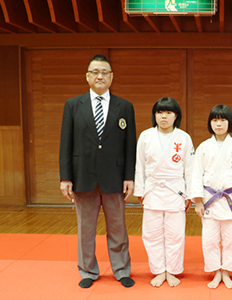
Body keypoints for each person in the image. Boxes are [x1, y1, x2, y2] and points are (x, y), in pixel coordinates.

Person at [59, 54, 137, 289]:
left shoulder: (125, 106)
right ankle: (87, 270)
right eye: (95, 72)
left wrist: (129, 177)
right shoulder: (73, 105)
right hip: (83, 178)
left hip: (114, 179)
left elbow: (129, 145)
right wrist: (65, 177)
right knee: (86, 229)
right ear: (87, 76)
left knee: (118, 228)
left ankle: (122, 269)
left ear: (111, 77)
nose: (100, 76)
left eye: (104, 72)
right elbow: (66, 143)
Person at [191, 104, 232, 289]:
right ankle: (215, 272)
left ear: (230, 123)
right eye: (214, 120)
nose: (218, 124)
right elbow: (196, 174)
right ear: (210, 123)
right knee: (210, 239)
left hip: (231, 200)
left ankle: (226, 272)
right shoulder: (203, 147)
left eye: (222, 120)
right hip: (210, 200)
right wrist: (197, 201)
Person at [134, 97, 195, 287]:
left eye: (168, 113)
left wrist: (190, 194)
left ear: (176, 116)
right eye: (160, 112)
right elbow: (139, 166)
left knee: (175, 234)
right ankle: (159, 270)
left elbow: (191, 168)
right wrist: (140, 190)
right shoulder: (145, 136)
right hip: (152, 189)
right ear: (155, 115)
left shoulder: (183, 137)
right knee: (152, 234)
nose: (164, 117)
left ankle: (173, 270)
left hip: (175, 190)